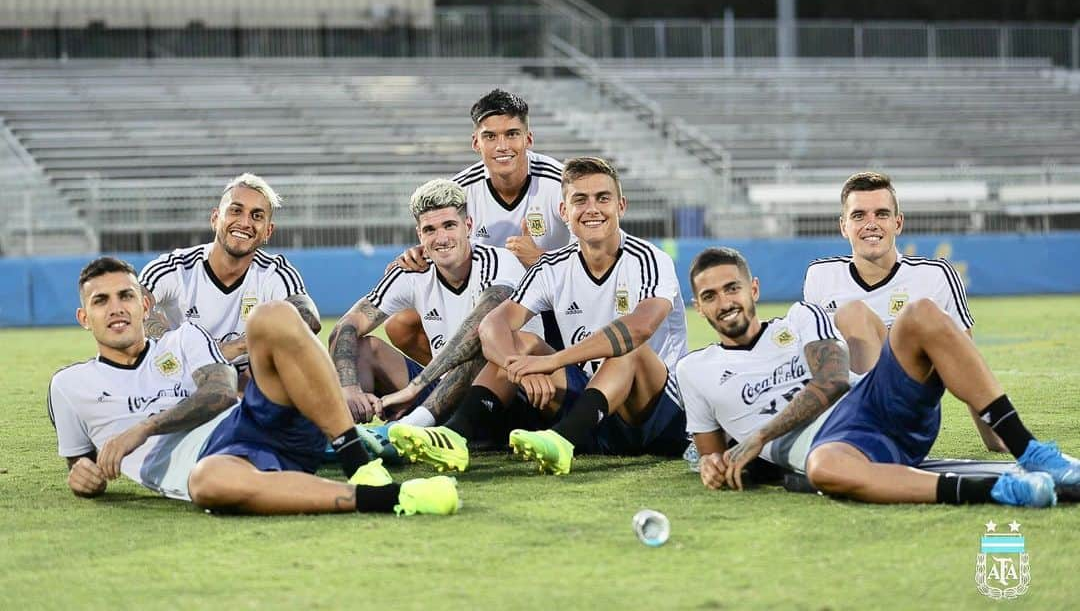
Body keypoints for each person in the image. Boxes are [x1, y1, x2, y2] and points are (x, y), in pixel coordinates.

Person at [49, 257, 458, 516]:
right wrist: (83, 479)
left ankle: (359, 460)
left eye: (125, 295)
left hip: (250, 420)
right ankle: (389, 498)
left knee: (272, 315)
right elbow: (81, 464)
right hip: (216, 466)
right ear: (84, 317)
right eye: (101, 301)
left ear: (144, 305)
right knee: (209, 483)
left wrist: (144, 428)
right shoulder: (69, 385)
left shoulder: (183, 337)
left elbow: (222, 391)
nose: (116, 307)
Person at [677, 246, 1079, 507]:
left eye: (733, 289)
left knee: (919, 313)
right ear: (698, 306)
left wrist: (761, 436)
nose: (725, 302)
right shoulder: (693, 370)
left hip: (867, 405)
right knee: (824, 467)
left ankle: (1032, 452)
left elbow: (833, 380)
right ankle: (998, 491)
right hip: (836, 451)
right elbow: (713, 452)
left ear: (754, 290)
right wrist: (713, 465)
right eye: (710, 296)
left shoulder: (803, 317)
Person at [389, 156, 688, 476]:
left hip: (655, 413)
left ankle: (561, 441)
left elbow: (639, 328)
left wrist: (552, 362)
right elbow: (493, 324)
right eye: (579, 200)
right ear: (564, 211)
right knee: (521, 342)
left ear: (621, 206)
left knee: (628, 349)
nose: (592, 209)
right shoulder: (552, 267)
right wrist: (518, 367)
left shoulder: (649, 259)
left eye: (603, 198)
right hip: (591, 410)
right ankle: (454, 434)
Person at [802, 170, 1005, 452]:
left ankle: (871, 440)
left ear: (898, 223)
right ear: (843, 226)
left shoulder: (935, 276)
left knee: (867, 315)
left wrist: (997, 438)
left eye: (881, 214)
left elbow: (966, 360)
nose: (870, 224)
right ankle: (852, 440)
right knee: (853, 317)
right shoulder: (820, 275)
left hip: (910, 418)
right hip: (844, 421)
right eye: (859, 216)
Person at [328, 179, 541, 436]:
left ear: (468, 226)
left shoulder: (499, 262)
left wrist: (414, 387)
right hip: (442, 390)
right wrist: (349, 386)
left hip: (505, 393)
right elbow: (347, 325)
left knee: (485, 344)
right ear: (419, 235)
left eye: (449, 226)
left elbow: (482, 328)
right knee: (364, 348)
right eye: (430, 230)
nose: (441, 239)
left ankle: (411, 426)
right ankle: (345, 433)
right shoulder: (413, 269)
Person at [384, 89, 571, 365]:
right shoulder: (459, 191)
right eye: (490, 136)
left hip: (549, 301)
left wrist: (543, 262)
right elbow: (439, 238)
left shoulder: (561, 185)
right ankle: (454, 381)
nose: (502, 146)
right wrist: (418, 256)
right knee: (400, 322)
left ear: (528, 138)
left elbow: (601, 260)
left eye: (512, 134)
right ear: (476, 142)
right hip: (481, 301)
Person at [138, 173, 319, 374]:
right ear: (215, 218)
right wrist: (185, 347)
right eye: (235, 211)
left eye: (257, 216)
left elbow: (308, 319)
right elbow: (131, 307)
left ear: (268, 231)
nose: (245, 222)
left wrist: (242, 347)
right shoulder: (175, 267)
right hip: (181, 380)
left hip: (248, 384)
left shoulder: (274, 271)